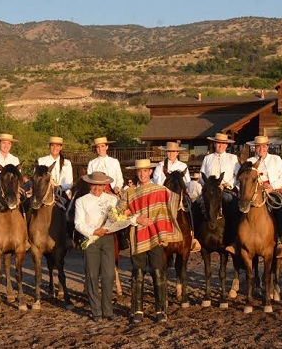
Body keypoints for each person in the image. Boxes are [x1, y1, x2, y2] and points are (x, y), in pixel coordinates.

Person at [118, 159, 184, 324]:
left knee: (157, 271)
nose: (142, 174)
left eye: (145, 171)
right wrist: (136, 218)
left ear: (150, 172)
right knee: (138, 273)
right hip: (138, 237)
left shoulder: (160, 189)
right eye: (139, 171)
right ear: (137, 173)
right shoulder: (129, 192)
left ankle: (161, 310)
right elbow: (118, 212)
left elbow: (176, 201)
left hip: (155, 237)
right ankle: (137, 310)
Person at [74, 171, 119, 322]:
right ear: (90, 184)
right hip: (91, 239)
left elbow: (117, 218)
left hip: (107, 239)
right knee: (92, 275)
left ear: (105, 185)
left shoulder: (113, 199)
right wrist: (93, 231)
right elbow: (78, 223)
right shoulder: (81, 201)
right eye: (94, 184)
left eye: (100, 185)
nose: (97, 188)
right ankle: (96, 311)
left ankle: (108, 309)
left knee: (108, 275)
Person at [152, 141, 199, 252]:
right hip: (163, 195)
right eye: (169, 151)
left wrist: (184, 190)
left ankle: (192, 235)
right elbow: (155, 181)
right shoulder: (160, 166)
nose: (171, 154)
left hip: (180, 196)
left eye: (173, 151)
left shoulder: (183, 166)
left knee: (190, 208)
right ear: (166, 152)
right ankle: (155, 236)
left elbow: (187, 182)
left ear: (177, 152)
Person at [37, 136, 74, 200]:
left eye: (57, 146)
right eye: (52, 145)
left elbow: (69, 183)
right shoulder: (41, 161)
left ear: (61, 147)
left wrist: (58, 188)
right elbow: (37, 179)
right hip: (43, 193)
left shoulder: (67, 163)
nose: (55, 148)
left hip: (61, 193)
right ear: (49, 147)